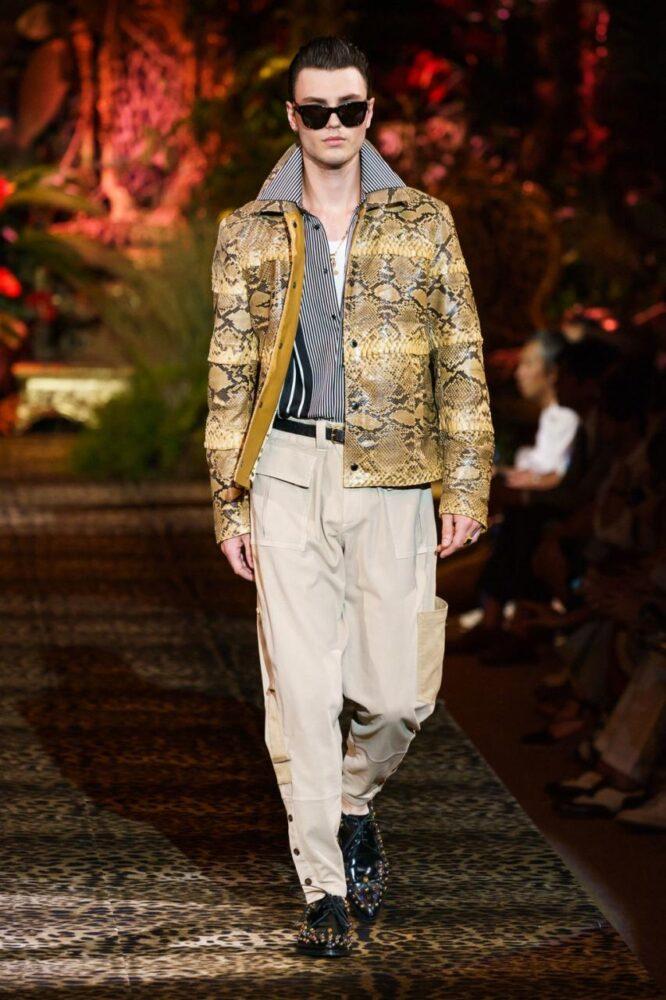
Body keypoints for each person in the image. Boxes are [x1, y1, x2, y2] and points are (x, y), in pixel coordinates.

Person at [204, 36, 494, 957]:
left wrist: (467, 480)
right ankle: (323, 889)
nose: (335, 124)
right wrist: (228, 499)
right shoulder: (249, 230)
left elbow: (463, 357)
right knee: (300, 692)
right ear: (294, 117)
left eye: (351, 109)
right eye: (318, 110)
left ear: (372, 114)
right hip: (286, 470)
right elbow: (229, 371)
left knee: (398, 695)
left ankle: (354, 801)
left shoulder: (424, 223)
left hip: (396, 476)